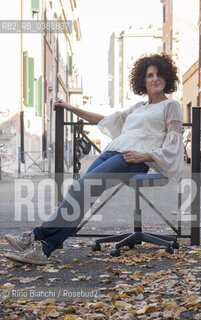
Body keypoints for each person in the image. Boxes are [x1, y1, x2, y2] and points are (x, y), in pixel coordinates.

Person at [5, 53, 184, 265]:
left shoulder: (171, 106)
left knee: (80, 189)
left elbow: (174, 142)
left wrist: (143, 156)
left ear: (167, 78)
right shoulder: (138, 108)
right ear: (142, 81)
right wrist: (71, 108)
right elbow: (105, 120)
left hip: (132, 158)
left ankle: (41, 244)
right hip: (112, 152)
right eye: (150, 75)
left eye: (159, 75)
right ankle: (38, 242)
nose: (155, 79)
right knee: (79, 193)